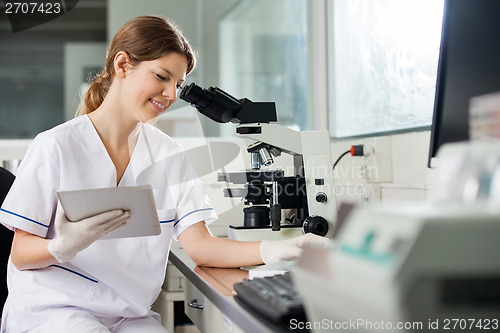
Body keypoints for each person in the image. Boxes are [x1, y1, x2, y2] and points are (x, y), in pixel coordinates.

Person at [0, 15, 329, 332]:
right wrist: (63, 247)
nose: (172, 94)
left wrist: (273, 250)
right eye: (162, 77)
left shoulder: (168, 153)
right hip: (55, 309)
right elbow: (21, 253)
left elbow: (200, 245)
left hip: (127, 315)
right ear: (123, 65)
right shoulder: (55, 146)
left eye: (179, 83)